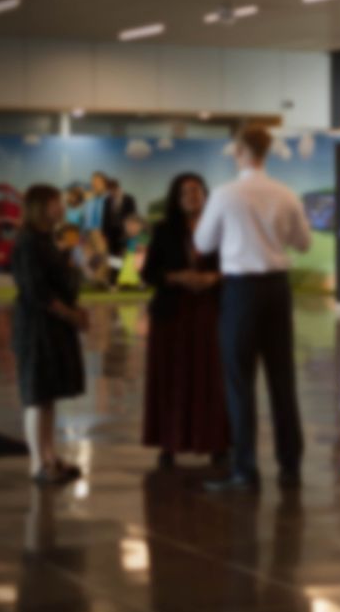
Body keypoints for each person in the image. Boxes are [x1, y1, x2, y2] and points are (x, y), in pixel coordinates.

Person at [194, 124, 313, 492]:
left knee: (239, 382)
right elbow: (303, 243)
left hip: (240, 292)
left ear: (242, 152)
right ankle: (290, 467)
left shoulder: (225, 194)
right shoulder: (284, 194)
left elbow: (203, 242)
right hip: (276, 290)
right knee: (282, 380)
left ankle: (245, 470)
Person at [141, 173, 229, 468]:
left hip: (210, 311)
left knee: (211, 378)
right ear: (176, 199)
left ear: (205, 194)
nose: (192, 196)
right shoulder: (164, 230)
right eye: (185, 192)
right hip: (172, 315)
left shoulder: (220, 228)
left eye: (196, 190)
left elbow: (234, 265)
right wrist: (178, 277)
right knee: (172, 378)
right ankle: (170, 443)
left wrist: (213, 278)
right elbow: (149, 273)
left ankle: (216, 442)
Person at [11, 184, 88, 485]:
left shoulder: (45, 240)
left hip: (52, 326)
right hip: (37, 327)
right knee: (37, 394)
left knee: (48, 395)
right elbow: (37, 292)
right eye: (56, 202)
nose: (62, 207)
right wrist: (71, 315)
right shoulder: (29, 242)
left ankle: (50, 457)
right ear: (41, 207)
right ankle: (38, 463)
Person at [101, 178, 138, 257]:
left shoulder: (129, 199)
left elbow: (133, 216)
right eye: (109, 191)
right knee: (112, 255)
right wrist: (104, 233)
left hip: (125, 232)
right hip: (111, 234)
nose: (111, 193)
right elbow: (105, 218)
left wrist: (132, 231)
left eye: (112, 190)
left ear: (117, 188)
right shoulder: (107, 201)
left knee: (126, 254)